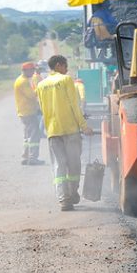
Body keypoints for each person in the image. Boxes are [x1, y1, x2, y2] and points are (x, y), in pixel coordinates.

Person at [36, 55, 93, 211]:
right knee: (73, 164)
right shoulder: (66, 80)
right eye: (65, 66)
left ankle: (63, 199)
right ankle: (73, 193)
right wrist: (84, 126)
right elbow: (75, 106)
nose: (67, 69)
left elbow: (42, 109)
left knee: (59, 166)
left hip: (53, 131)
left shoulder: (41, 85)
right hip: (70, 130)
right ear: (59, 65)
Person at [14, 62, 45, 165]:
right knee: (34, 135)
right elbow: (32, 95)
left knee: (27, 135)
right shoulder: (23, 82)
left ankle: (26, 156)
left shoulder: (22, 80)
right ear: (26, 70)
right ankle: (33, 158)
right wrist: (40, 88)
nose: (33, 72)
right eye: (32, 70)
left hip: (24, 112)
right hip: (28, 112)